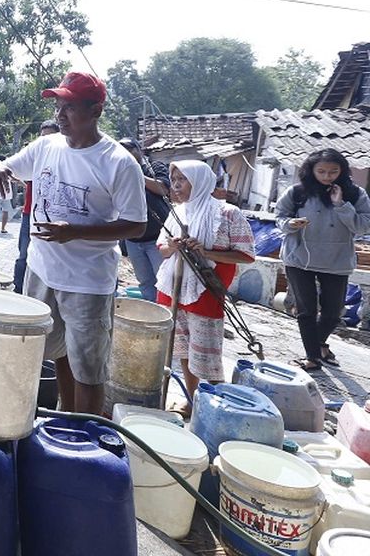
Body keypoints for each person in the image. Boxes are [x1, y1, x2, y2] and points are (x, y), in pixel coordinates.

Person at [0, 72, 146, 415]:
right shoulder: (46, 146)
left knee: (88, 368)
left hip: (87, 282)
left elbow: (136, 225)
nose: (60, 114)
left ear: (96, 111)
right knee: (56, 352)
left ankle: (84, 431)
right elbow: (7, 167)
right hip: (41, 271)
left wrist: (74, 231)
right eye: (58, 106)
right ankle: (64, 414)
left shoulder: (118, 162)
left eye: (70, 107)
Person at [156, 160, 255, 416]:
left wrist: (206, 251)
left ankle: (217, 405)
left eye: (182, 179)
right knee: (182, 349)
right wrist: (174, 246)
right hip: (173, 288)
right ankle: (191, 400)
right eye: (174, 179)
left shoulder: (228, 213)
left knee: (205, 351)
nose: (176, 185)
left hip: (206, 291)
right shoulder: (178, 212)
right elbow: (163, 250)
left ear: (199, 181)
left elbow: (245, 255)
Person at [275, 148, 370, 371]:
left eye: (333, 171)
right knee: (306, 310)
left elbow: (363, 226)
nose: (327, 176)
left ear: (343, 171)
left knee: (333, 313)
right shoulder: (297, 192)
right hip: (299, 258)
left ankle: (318, 346)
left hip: (336, 261)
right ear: (311, 170)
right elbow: (280, 216)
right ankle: (313, 358)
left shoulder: (355, 194)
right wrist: (290, 225)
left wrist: (341, 205)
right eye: (322, 171)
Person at [118, 138, 172, 302]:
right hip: (133, 240)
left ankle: (168, 313)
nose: (125, 153)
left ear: (139, 150)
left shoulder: (154, 168)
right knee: (145, 282)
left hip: (157, 238)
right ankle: (152, 313)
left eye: (129, 148)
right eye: (121, 151)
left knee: (164, 280)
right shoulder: (118, 174)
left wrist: (135, 173)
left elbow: (163, 188)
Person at [13, 120, 60, 292]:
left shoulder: (63, 159)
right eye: (42, 137)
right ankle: (18, 290)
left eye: (50, 136)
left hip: (54, 218)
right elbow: (13, 171)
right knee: (24, 255)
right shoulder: (35, 156)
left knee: (46, 258)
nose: (45, 141)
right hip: (29, 213)